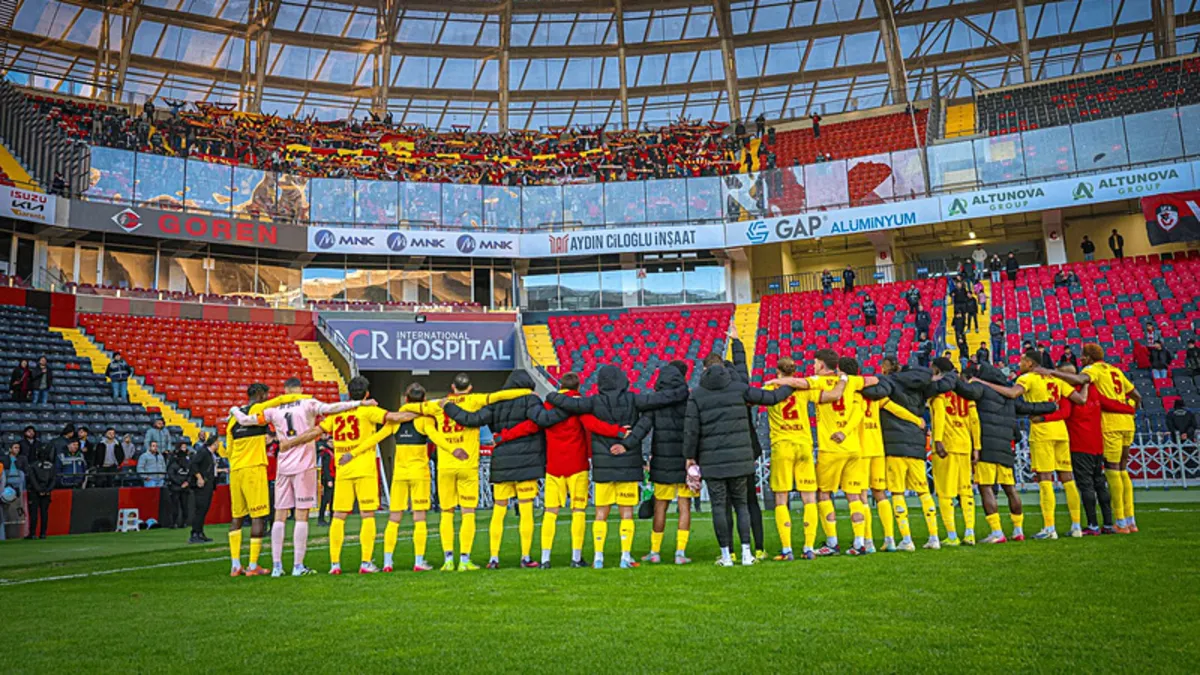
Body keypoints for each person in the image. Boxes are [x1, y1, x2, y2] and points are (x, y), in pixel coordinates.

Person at [548, 363, 689, 570]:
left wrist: (552, 396)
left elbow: (567, 404)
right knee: (626, 512)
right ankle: (625, 557)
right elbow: (661, 398)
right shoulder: (633, 399)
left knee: (601, 513)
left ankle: (598, 558)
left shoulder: (593, 402)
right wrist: (683, 389)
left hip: (603, 466)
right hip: (628, 464)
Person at [229, 377, 367, 576]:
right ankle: (297, 566)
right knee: (301, 515)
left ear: (285, 390)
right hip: (304, 465)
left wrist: (234, 409)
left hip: (283, 466)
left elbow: (244, 420)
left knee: (280, 515)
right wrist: (359, 403)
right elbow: (332, 408)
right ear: (300, 389)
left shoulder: (273, 410)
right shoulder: (308, 402)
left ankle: (277, 567)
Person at [277, 377, 412, 575]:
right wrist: (421, 410)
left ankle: (335, 564)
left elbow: (314, 432)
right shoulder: (368, 410)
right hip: (363, 469)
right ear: (367, 394)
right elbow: (395, 418)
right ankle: (366, 562)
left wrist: (291, 442)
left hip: (342, 470)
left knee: (338, 517)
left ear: (349, 394)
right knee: (367, 516)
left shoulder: (337, 415)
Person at [398, 373, 533, 572]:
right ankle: (464, 560)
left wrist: (412, 412)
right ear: (469, 388)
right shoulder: (475, 400)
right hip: (467, 465)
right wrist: (526, 392)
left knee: (447, 513)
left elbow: (407, 407)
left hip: (445, 465)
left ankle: (448, 560)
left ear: (453, 387)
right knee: (467, 513)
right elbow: (499, 397)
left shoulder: (437, 404)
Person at [682, 348, 794, 568]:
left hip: (712, 461)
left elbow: (691, 430)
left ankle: (726, 555)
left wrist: (689, 458)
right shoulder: (739, 388)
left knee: (718, 507)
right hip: (741, 459)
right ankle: (746, 553)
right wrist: (791, 384)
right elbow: (771, 398)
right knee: (742, 505)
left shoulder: (696, 394)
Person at [441, 370, 557, 570]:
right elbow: (542, 421)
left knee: (499, 510)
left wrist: (449, 407)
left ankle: (494, 557)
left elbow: (471, 419)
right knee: (526, 509)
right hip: (526, 464)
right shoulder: (530, 400)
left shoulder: (497, 402)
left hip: (501, 462)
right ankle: (525, 556)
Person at [976, 350, 1086, 539]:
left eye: (1021, 361)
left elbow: (1012, 393)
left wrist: (984, 383)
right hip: (1061, 431)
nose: (1019, 364)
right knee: (1068, 479)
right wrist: (1087, 384)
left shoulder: (1028, 378)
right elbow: (1081, 399)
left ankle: (1049, 528)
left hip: (1043, 430)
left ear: (1029, 363)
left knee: (1045, 479)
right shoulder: (1056, 380)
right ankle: (1076, 526)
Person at [955, 364, 1055, 543]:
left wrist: (951, 378)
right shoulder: (1008, 396)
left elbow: (964, 390)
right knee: (1010, 489)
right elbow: (1029, 408)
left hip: (986, 446)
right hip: (1005, 447)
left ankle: (996, 531)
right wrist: (1051, 406)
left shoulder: (980, 389)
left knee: (986, 487)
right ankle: (1018, 530)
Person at [611, 364, 694, 565]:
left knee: (660, 508)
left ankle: (655, 551)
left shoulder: (656, 403)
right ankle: (680, 553)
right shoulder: (689, 401)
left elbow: (642, 429)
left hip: (662, 461)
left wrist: (626, 445)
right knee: (685, 507)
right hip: (685, 461)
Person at [1053, 345, 1141, 532]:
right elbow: (1136, 395)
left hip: (1110, 425)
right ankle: (1130, 519)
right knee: (1123, 470)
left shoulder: (1091, 371)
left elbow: (1080, 379)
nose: (1081, 360)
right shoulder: (1115, 370)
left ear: (1089, 358)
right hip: (1127, 422)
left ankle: (1120, 521)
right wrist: (1132, 410)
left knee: (1113, 471)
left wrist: (1047, 371)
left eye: (1083, 356)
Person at [221, 384, 306, 577]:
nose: (267, 397)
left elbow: (230, 449)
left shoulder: (233, 419)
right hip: (254, 469)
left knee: (237, 518)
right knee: (258, 516)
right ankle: (252, 566)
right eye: (266, 395)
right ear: (259, 395)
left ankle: (235, 565)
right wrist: (304, 397)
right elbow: (282, 400)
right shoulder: (259, 409)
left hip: (236, 471)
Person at [759, 357, 840, 561]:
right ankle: (808, 547)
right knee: (809, 498)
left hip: (782, 446)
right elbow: (831, 397)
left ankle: (787, 550)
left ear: (778, 371)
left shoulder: (770, 388)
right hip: (803, 445)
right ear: (794, 372)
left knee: (781, 498)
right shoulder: (804, 389)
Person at [807, 349, 879, 556]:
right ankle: (858, 543)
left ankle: (831, 543)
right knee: (854, 495)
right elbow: (874, 380)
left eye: (815, 363)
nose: (813, 367)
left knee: (824, 494)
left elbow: (800, 385)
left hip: (831, 449)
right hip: (854, 447)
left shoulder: (817, 381)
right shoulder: (853, 382)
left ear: (822, 365)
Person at [852, 366, 925, 554]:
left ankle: (868, 542)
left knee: (861, 495)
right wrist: (917, 420)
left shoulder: (851, 392)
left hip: (860, 448)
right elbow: (896, 409)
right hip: (878, 447)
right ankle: (889, 539)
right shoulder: (877, 396)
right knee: (880, 493)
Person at [928, 357, 978, 546]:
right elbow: (975, 422)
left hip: (946, 446)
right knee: (966, 491)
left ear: (936, 370)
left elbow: (939, 415)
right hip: (964, 445)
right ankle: (970, 533)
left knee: (945, 492)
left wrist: (938, 440)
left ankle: (951, 535)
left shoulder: (940, 393)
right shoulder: (966, 393)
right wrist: (977, 446)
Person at [188, 435, 218, 543]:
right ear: (213, 443)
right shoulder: (203, 452)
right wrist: (199, 477)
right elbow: (193, 464)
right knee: (200, 509)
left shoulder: (210, 454)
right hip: (202, 485)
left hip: (208, 484)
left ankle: (199, 532)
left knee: (204, 509)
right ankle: (195, 533)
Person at [25, 442, 57, 538]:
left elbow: (32, 479)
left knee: (34, 513)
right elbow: (53, 480)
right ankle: (43, 533)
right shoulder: (51, 466)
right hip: (46, 492)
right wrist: (47, 490)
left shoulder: (33, 465)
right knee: (44, 513)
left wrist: (39, 490)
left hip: (35, 492)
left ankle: (33, 533)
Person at [165, 442, 191, 529]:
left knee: (184, 506)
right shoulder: (173, 462)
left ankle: (183, 523)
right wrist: (182, 483)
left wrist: (187, 482)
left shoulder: (188, 462)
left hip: (183, 488)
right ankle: (174, 523)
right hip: (176, 487)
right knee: (175, 506)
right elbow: (171, 474)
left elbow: (191, 473)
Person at [316, 438, 335, 525]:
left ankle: (332, 518)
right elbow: (326, 468)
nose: (332, 443)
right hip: (328, 478)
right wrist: (329, 480)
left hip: (333, 477)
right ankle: (321, 519)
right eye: (330, 442)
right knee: (326, 499)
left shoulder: (333, 452)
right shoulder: (326, 453)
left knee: (333, 499)